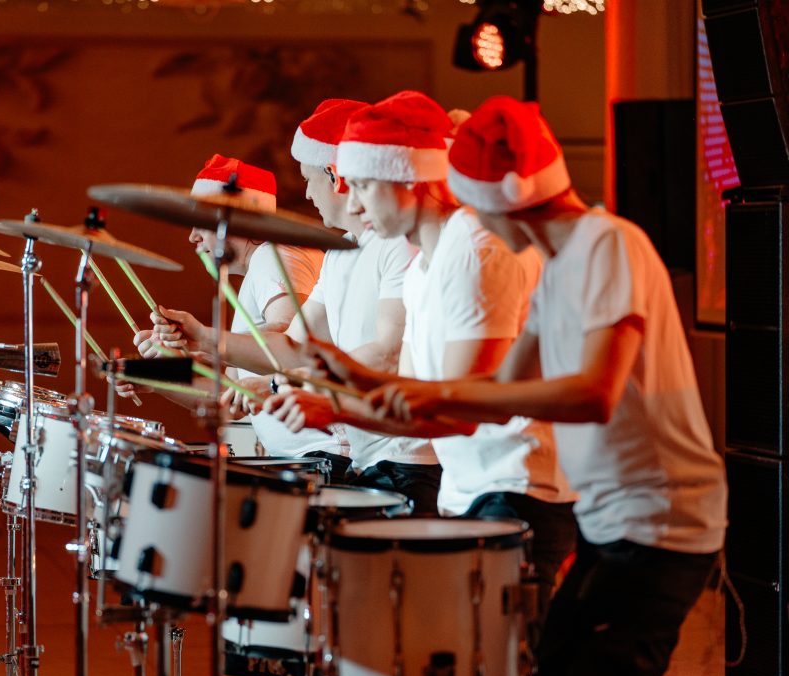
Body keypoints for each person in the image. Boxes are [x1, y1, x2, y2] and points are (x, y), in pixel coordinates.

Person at [358, 95, 727, 676]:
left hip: (661, 518)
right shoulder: (557, 266)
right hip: (612, 519)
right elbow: (502, 385)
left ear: (504, 199)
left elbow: (594, 394)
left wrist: (439, 397)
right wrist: (401, 393)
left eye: (476, 208)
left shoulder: (607, 242)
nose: (475, 224)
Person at [265, 91, 577, 619]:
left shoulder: (474, 249)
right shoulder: (424, 267)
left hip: (517, 489)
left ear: (408, 180)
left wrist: (333, 403)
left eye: (364, 185)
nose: (352, 204)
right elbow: (415, 395)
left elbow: (456, 412)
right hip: (468, 489)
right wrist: (339, 379)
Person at [154, 100, 441, 507]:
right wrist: (202, 338)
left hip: (408, 462)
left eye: (309, 179)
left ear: (336, 175)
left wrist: (278, 383)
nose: (306, 193)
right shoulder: (341, 254)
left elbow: (386, 353)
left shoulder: (396, 243)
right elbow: (294, 345)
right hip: (368, 460)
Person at [123, 154, 345, 466]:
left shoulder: (273, 255)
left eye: (202, 223)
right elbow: (228, 397)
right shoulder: (260, 270)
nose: (192, 236)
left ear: (239, 221)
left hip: (323, 457)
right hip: (307, 459)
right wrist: (157, 376)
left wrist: (203, 341)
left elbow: (288, 337)